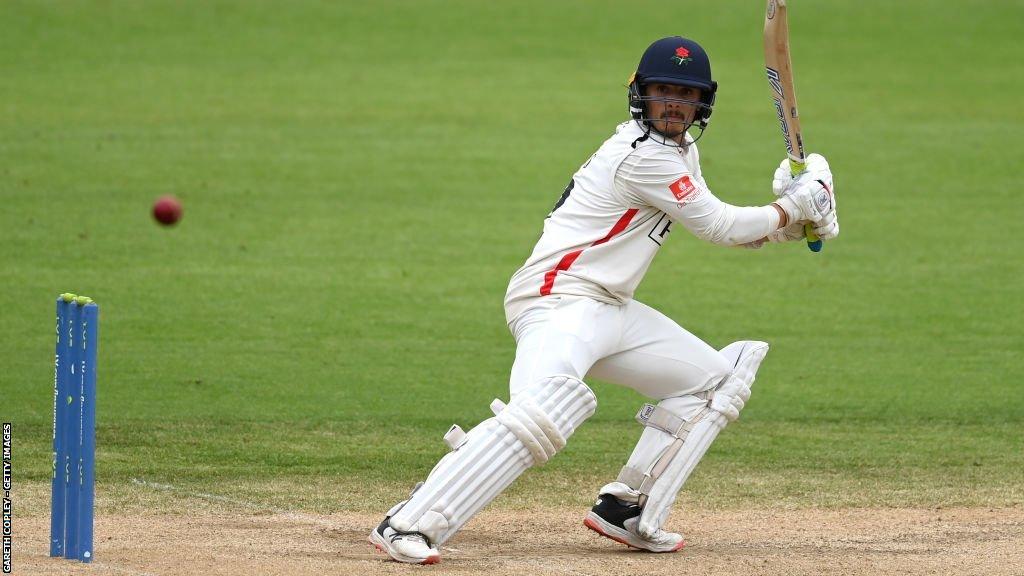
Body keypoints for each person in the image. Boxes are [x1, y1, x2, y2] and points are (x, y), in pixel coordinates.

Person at [369, 36, 838, 565]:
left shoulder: (680, 151)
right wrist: (790, 207)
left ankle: (628, 507)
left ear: (704, 103)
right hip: (558, 300)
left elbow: (729, 228)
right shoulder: (639, 156)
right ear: (639, 94)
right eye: (663, 92)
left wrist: (795, 223)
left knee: (713, 383)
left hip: (609, 308)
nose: (674, 105)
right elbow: (719, 225)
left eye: (686, 95)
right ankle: (409, 523)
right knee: (545, 410)